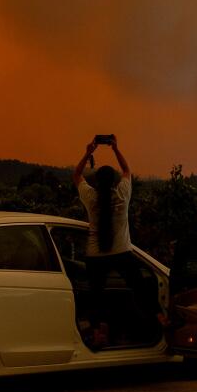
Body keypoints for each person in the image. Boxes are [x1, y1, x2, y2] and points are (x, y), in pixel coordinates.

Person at [72, 135, 151, 348]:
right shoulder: (123, 195)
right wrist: (116, 149)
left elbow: (77, 174)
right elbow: (127, 171)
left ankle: (99, 336)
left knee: (97, 298)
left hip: (95, 257)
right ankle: (160, 319)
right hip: (122, 254)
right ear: (115, 180)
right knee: (141, 288)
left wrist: (89, 151)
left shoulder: (90, 197)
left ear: (96, 181)